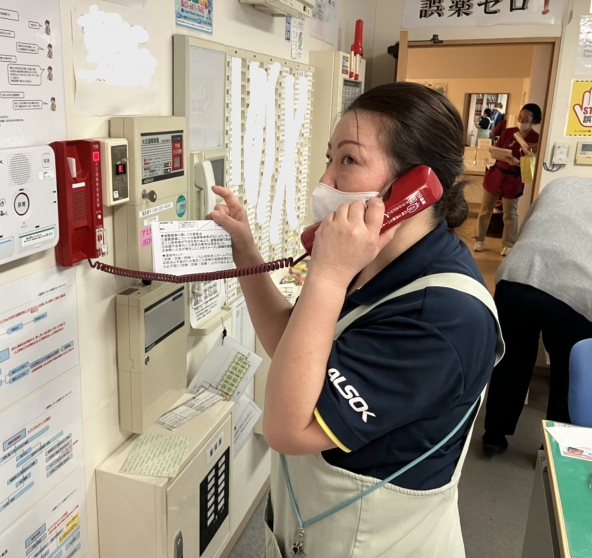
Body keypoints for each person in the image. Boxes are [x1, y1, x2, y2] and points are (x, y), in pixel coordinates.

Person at [209, 82, 501, 557]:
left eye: (348, 159)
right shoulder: (374, 261)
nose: (325, 179)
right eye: (330, 157)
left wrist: (327, 275)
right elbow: (294, 349)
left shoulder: (443, 318)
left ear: (415, 186)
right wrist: (245, 252)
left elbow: (288, 428)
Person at [482, 177, 592, 456]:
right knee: (568, 376)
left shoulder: (559, 185)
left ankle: (493, 436)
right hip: (577, 292)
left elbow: (528, 229)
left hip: (518, 276)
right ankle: (553, 452)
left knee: (510, 361)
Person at [473, 103, 542, 256]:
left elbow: (532, 164)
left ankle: (508, 244)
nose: (522, 120)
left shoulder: (536, 139)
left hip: (513, 178)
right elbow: (497, 149)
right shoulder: (508, 132)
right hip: (496, 174)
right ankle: (479, 239)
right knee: (485, 210)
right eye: (520, 117)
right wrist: (495, 151)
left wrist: (518, 162)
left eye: (526, 118)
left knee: (510, 214)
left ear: (534, 120)